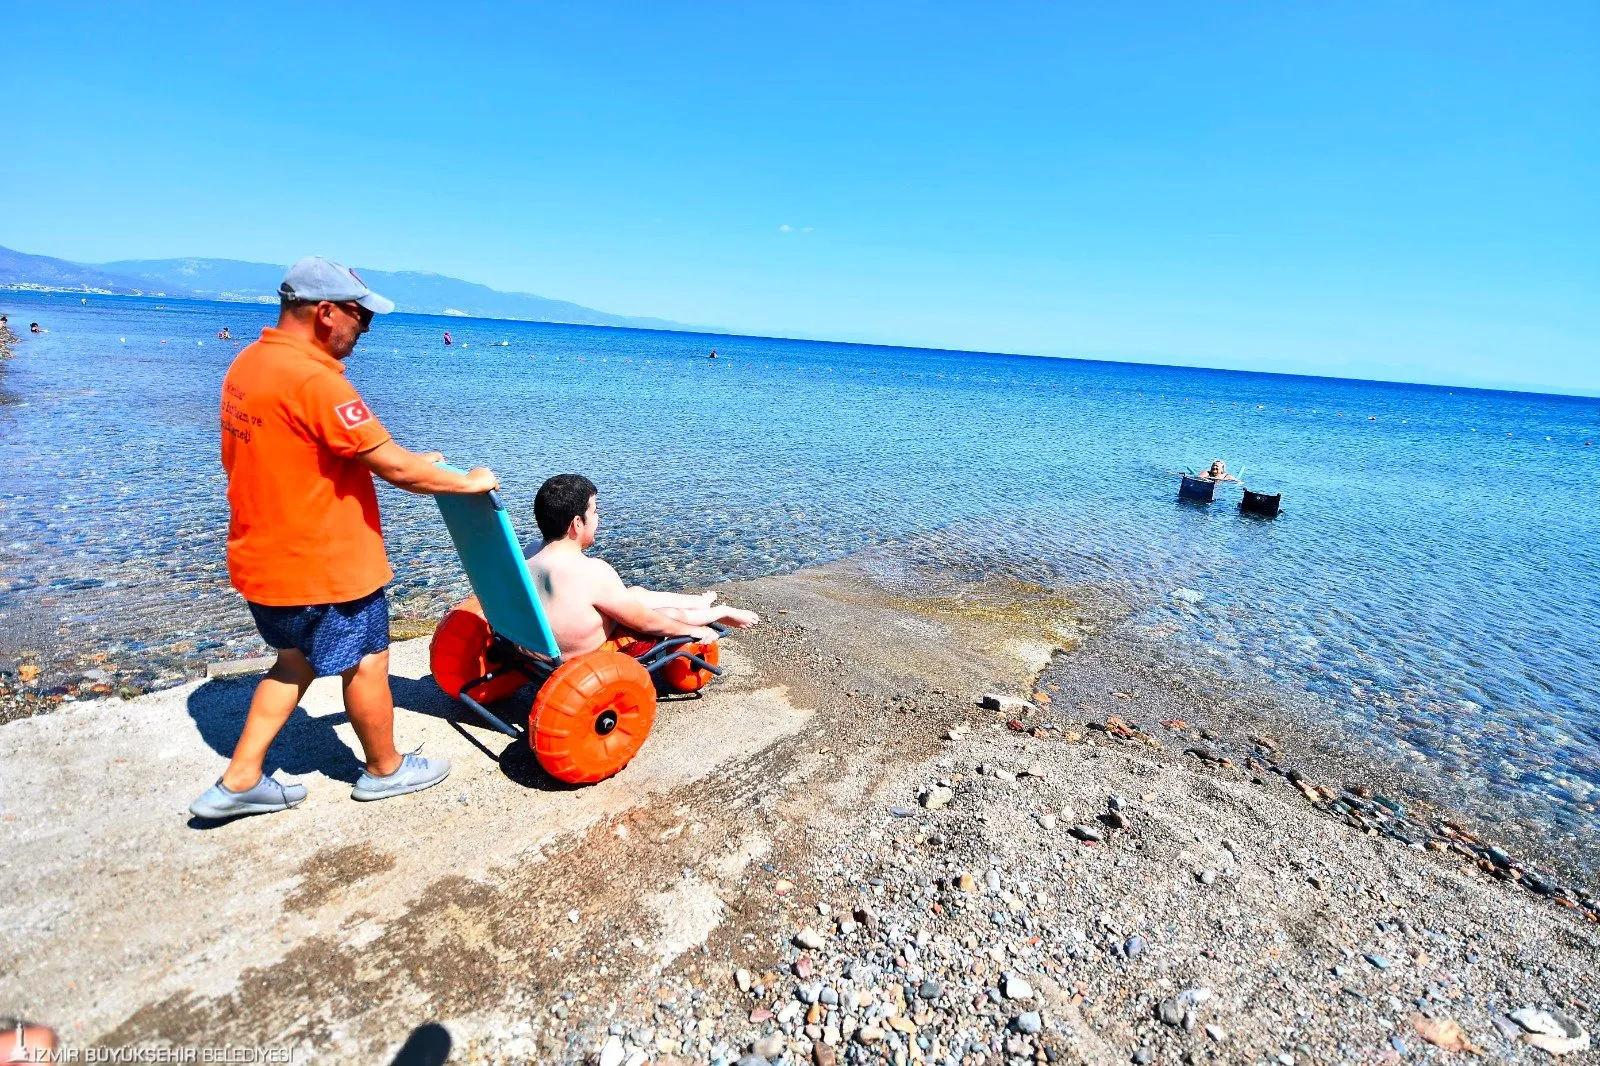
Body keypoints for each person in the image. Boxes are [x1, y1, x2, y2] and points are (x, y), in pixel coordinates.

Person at [190, 257, 499, 821]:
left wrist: (401, 460)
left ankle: (238, 781)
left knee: (293, 662)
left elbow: (305, 453)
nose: (365, 330)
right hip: (324, 566)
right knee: (368, 663)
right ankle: (385, 770)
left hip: (265, 558)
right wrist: (467, 481)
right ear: (326, 312)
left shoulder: (249, 365)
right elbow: (398, 472)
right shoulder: (318, 382)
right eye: (362, 318)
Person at [525, 474, 759, 657]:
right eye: (595, 512)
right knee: (663, 615)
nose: (598, 519)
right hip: (579, 655)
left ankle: (698, 602)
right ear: (577, 523)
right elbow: (647, 623)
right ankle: (720, 611)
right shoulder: (591, 571)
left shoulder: (528, 554)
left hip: (532, 644)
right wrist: (695, 631)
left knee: (633, 594)